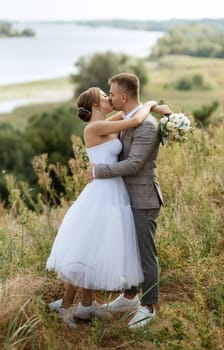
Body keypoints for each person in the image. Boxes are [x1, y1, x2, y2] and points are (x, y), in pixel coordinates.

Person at [46, 86, 169, 327]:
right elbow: (135, 120)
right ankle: (67, 307)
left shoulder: (105, 122)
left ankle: (86, 304)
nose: (108, 97)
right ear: (94, 105)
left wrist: (149, 109)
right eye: (104, 95)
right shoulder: (95, 127)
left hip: (113, 192)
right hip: (101, 193)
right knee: (87, 249)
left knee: (94, 248)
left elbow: (127, 117)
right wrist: (152, 103)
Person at [86, 73, 172, 329]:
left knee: (146, 255)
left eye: (111, 94)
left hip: (144, 198)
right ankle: (130, 297)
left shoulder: (147, 126)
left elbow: (134, 164)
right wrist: (151, 104)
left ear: (123, 96)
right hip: (125, 198)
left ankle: (149, 307)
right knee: (130, 251)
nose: (109, 97)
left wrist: (97, 171)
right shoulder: (126, 119)